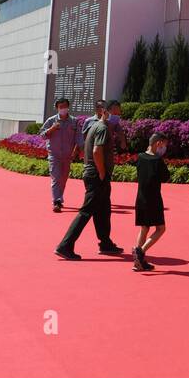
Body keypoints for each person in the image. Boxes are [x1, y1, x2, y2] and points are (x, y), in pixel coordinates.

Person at [55, 99, 125, 260]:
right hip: (96, 175)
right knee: (87, 211)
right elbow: (96, 151)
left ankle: (105, 242)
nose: (117, 116)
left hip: (96, 174)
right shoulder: (101, 128)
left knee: (103, 209)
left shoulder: (97, 126)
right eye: (114, 113)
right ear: (104, 112)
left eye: (118, 113)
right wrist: (101, 172)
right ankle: (65, 245)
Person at [133, 131, 171, 272]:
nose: (164, 149)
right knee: (160, 229)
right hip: (154, 199)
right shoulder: (157, 160)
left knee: (144, 228)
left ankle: (138, 262)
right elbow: (166, 178)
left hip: (140, 198)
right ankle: (140, 252)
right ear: (158, 143)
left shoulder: (140, 157)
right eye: (164, 145)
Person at [39, 97, 82, 213]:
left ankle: (59, 198)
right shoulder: (51, 120)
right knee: (56, 177)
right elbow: (42, 135)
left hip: (67, 155)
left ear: (68, 107)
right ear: (57, 108)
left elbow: (79, 137)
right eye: (60, 107)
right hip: (54, 154)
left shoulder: (74, 121)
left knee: (63, 178)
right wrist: (52, 129)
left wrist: (76, 150)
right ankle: (57, 201)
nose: (63, 109)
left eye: (65, 106)